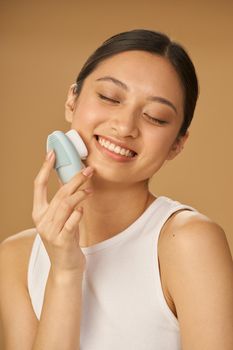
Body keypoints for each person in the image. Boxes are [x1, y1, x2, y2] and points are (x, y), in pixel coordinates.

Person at [0, 29, 233, 350]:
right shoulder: (16, 258)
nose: (125, 127)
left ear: (177, 144)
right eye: (110, 98)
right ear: (72, 100)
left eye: (155, 117)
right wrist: (65, 273)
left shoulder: (188, 243)